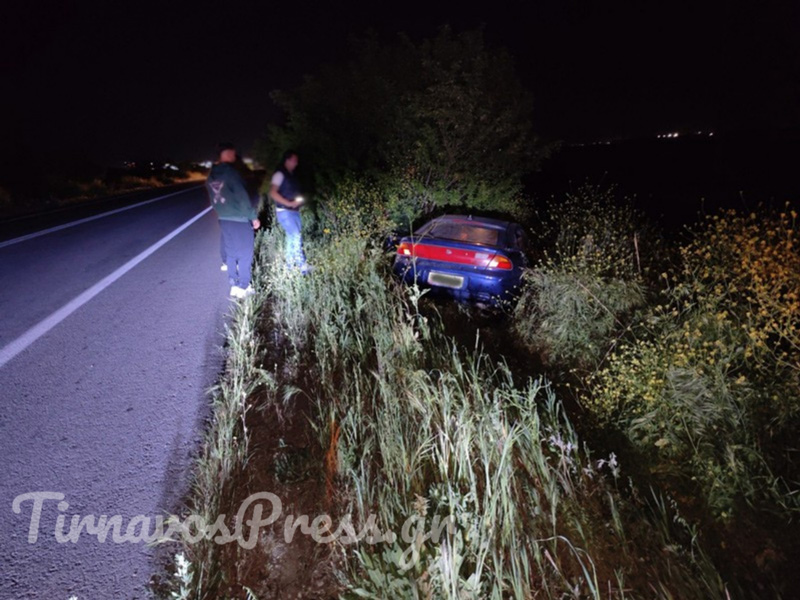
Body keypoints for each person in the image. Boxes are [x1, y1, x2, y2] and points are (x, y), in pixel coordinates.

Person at [206, 142, 260, 298]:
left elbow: (212, 198)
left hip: (224, 219)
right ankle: (244, 286)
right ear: (228, 153)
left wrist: (221, 212)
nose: (234, 156)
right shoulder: (231, 173)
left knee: (231, 253)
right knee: (245, 253)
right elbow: (242, 197)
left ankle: (234, 285)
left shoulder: (212, 175)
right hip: (239, 219)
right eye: (233, 153)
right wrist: (253, 217)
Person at [269, 150, 308, 272]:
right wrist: (288, 203)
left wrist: (296, 202)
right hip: (285, 211)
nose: (296, 163)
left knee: (292, 237)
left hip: (294, 211)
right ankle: (301, 265)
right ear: (287, 160)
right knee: (296, 236)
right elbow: (273, 192)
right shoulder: (280, 174)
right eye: (294, 160)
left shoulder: (292, 175)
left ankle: (289, 267)